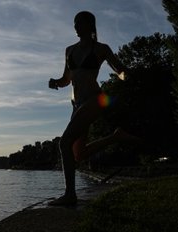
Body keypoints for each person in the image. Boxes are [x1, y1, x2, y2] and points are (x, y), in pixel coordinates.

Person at [48, 11, 141, 205]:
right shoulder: (69, 50)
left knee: (64, 142)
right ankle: (116, 136)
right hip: (77, 104)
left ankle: (70, 195)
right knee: (78, 154)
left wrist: (126, 76)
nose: (75, 27)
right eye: (74, 23)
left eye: (79, 23)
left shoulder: (101, 49)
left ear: (90, 25)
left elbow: (120, 70)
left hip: (94, 100)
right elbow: (67, 79)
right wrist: (56, 82)